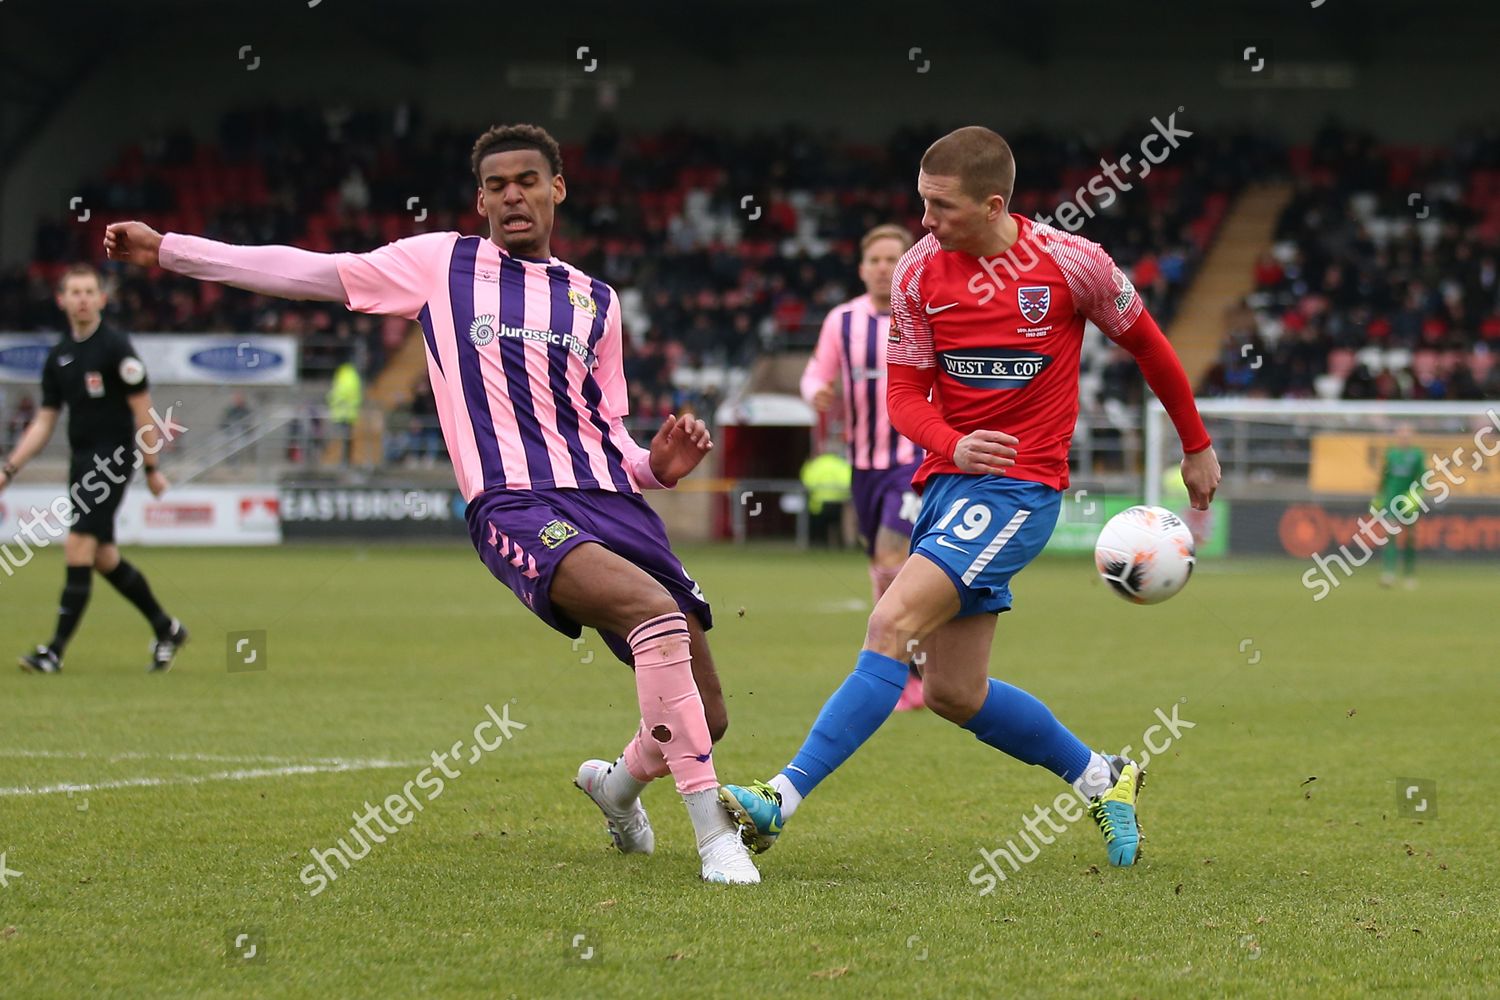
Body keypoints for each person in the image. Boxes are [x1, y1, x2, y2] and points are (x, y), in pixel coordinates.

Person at [103, 123, 760, 885]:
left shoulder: (597, 302)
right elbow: (307, 271)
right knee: (654, 616)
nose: (512, 196)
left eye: (526, 180)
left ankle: (615, 787)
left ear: (558, 188)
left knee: (707, 717)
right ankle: (715, 838)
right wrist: (171, 249)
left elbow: (607, 434)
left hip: (615, 504)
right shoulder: (439, 264)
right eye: (495, 184)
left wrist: (657, 465)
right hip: (516, 503)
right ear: (480, 197)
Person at [722, 127, 1221, 870]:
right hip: (948, 484)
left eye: (940, 207)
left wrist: (1195, 443)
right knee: (955, 691)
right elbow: (902, 393)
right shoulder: (921, 272)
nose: (924, 222)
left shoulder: (1071, 263)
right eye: (921, 203)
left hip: (1020, 490)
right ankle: (1104, 777)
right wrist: (952, 444)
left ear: (993, 205)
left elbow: (1149, 344)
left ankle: (779, 799)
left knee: (890, 620)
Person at [1, 264, 188, 674]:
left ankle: (53, 652)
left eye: (90, 291)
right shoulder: (59, 356)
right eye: (75, 292)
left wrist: (152, 465)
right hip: (81, 460)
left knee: (78, 545)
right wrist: (9, 468)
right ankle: (167, 628)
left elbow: (144, 408)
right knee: (103, 557)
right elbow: (46, 420)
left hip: (114, 459)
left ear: (102, 299)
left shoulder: (117, 347)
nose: (83, 298)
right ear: (62, 300)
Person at [800, 224, 929, 709]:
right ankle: (914, 661)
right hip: (863, 467)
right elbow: (817, 371)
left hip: (910, 461)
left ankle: (898, 672)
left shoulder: (919, 316)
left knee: (892, 559)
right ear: (862, 268)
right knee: (882, 567)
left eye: (893, 259)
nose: (883, 268)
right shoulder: (842, 321)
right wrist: (817, 393)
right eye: (874, 260)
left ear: (906, 266)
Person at [1376, 423, 1425, 588]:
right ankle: (1389, 573)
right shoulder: (1391, 454)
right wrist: (1379, 497)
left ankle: (1409, 574)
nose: (1404, 436)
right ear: (1397, 435)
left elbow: (1422, 478)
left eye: (1407, 433)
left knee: (1410, 538)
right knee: (1390, 535)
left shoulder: (1417, 455)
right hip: (1392, 499)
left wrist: (1415, 497)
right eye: (1402, 433)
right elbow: (1384, 477)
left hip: (1408, 501)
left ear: (1412, 435)